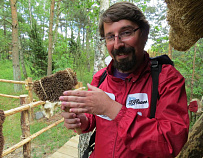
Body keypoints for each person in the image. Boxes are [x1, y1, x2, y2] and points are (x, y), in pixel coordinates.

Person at [59, 2, 189, 158]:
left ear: (144, 34)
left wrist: (111, 109)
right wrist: (81, 121)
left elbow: (170, 143)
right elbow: (93, 118)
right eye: (110, 37)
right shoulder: (101, 78)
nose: (117, 44)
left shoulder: (166, 79)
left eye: (126, 33)